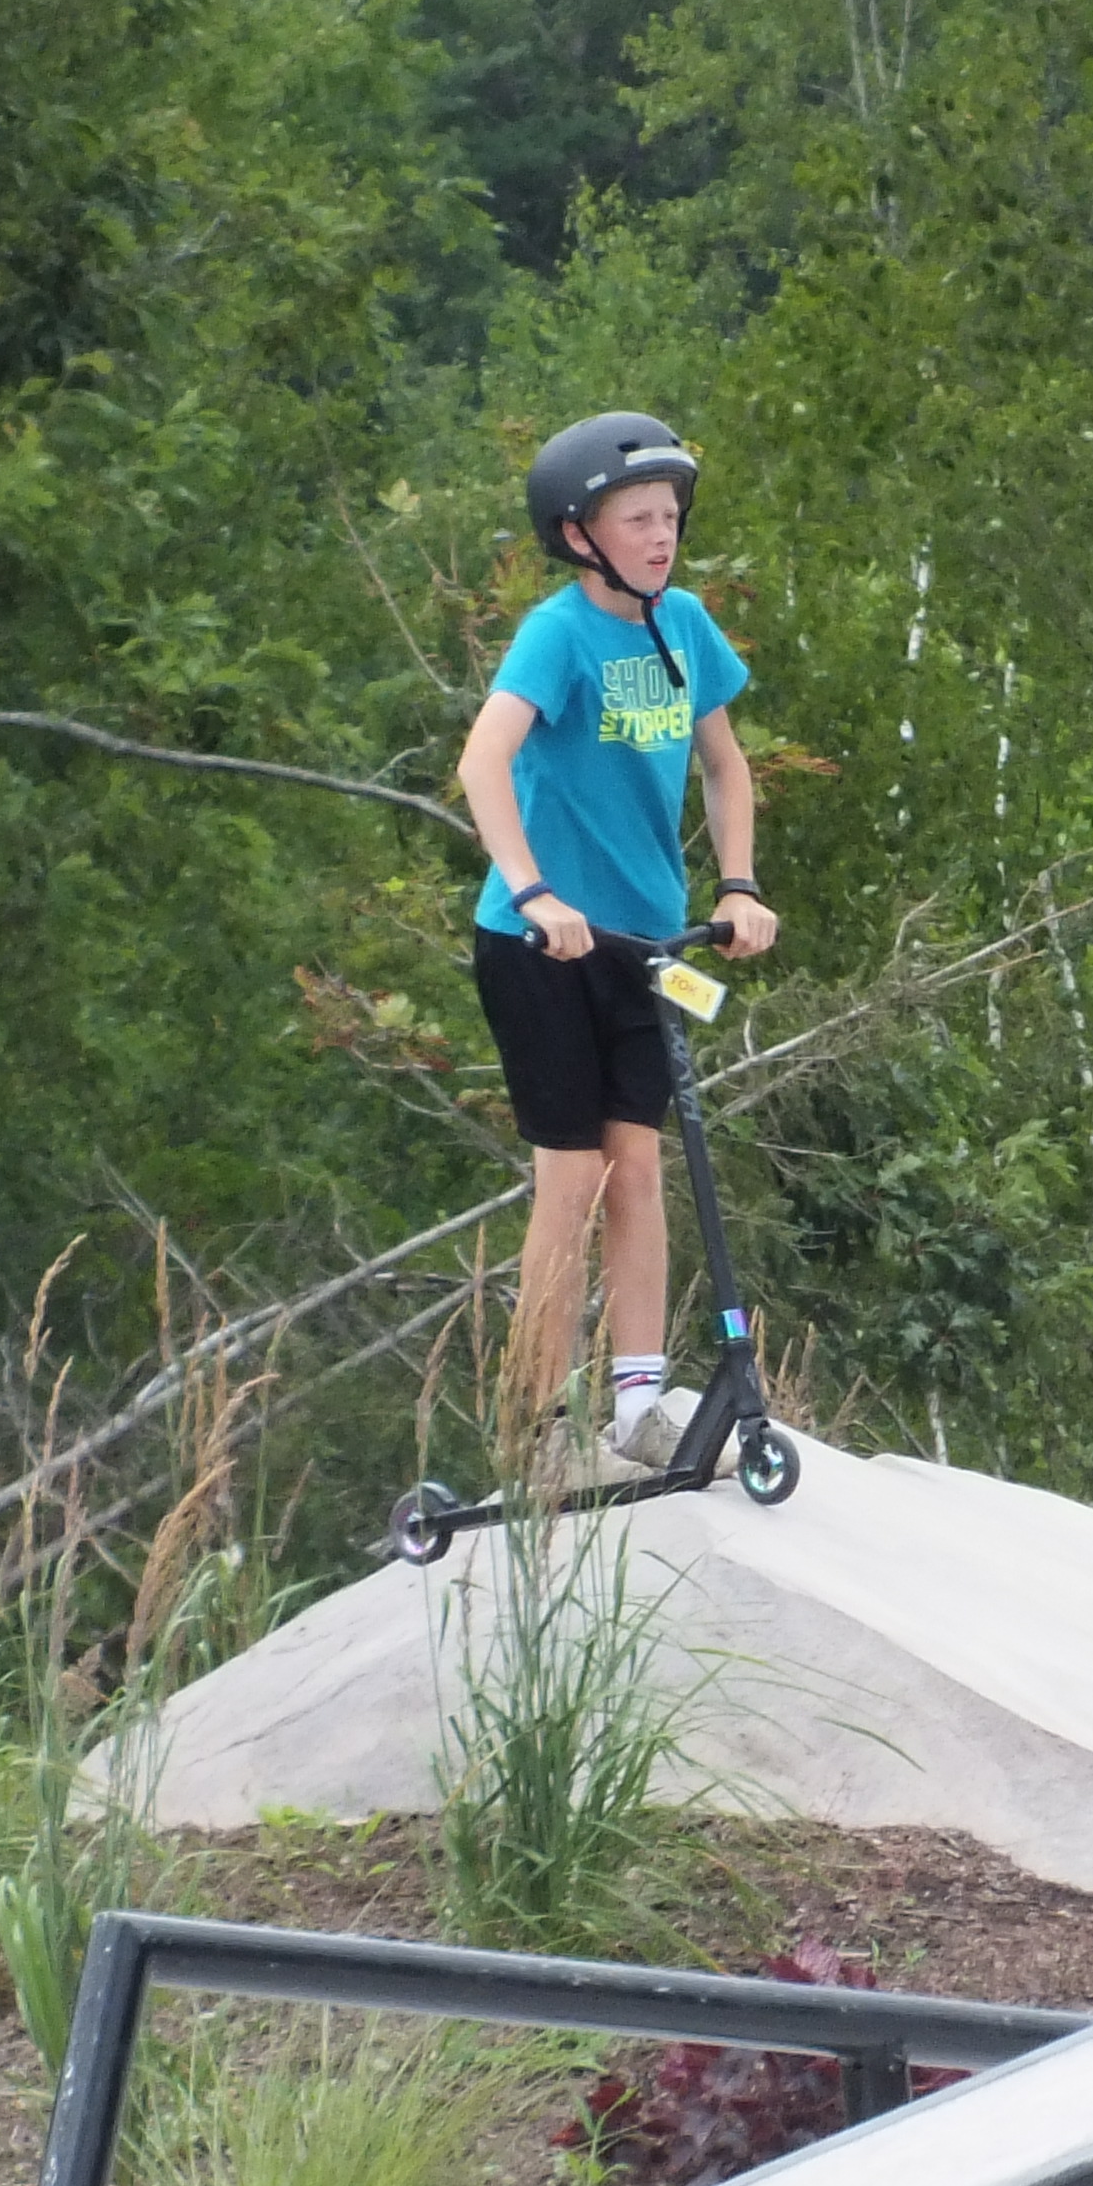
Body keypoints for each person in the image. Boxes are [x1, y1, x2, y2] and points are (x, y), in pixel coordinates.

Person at [458, 411, 778, 1480]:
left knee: (639, 1171)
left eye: (671, 516)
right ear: (580, 533)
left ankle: (638, 1406)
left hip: (646, 942)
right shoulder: (557, 634)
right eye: (638, 518)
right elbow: (482, 760)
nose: (661, 535)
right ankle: (536, 1430)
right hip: (542, 947)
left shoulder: (682, 625)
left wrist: (737, 885)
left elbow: (728, 765)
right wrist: (534, 890)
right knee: (573, 1181)